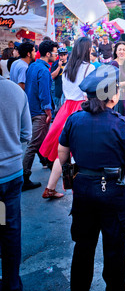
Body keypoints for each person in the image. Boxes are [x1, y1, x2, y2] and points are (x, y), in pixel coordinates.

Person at [57, 65, 125, 291]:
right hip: (113, 191)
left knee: (83, 247)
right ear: (113, 96)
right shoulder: (122, 122)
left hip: (83, 189)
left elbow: (62, 154)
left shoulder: (74, 120)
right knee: (115, 248)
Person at [40, 37, 95, 199]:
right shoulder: (89, 67)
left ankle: (50, 187)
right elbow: (87, 94)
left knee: (62, 151)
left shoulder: (67, 68)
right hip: (82, 108)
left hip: (66, 109)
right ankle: (80, 190)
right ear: (86, 50)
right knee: (82, 150)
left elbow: (65, 91)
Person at [0, 75, 32, 291]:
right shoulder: (15, 91)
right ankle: (12, 286)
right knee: (9, 230)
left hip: (10, 177)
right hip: (10, 175)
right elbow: (26, 134)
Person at [22, 40, 58, 191]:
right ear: (48, 54)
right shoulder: (43, 70)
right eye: (55, 53)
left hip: (30, 110)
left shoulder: (33, 66)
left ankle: (47, 161)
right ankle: (24, 177)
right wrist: (48, 112)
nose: (57, 56)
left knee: (38, 140)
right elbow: (44, 94)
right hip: (40, 113)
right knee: (33, 145)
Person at [50, 47, 68, 113]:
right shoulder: (55, 64)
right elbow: (52, 76)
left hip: (67, 89)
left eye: (64, 55)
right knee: (57, 109)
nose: (62, 57)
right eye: (61, 55)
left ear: (67, 55)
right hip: (58, 88)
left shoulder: (70, 63)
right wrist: (59, 67)